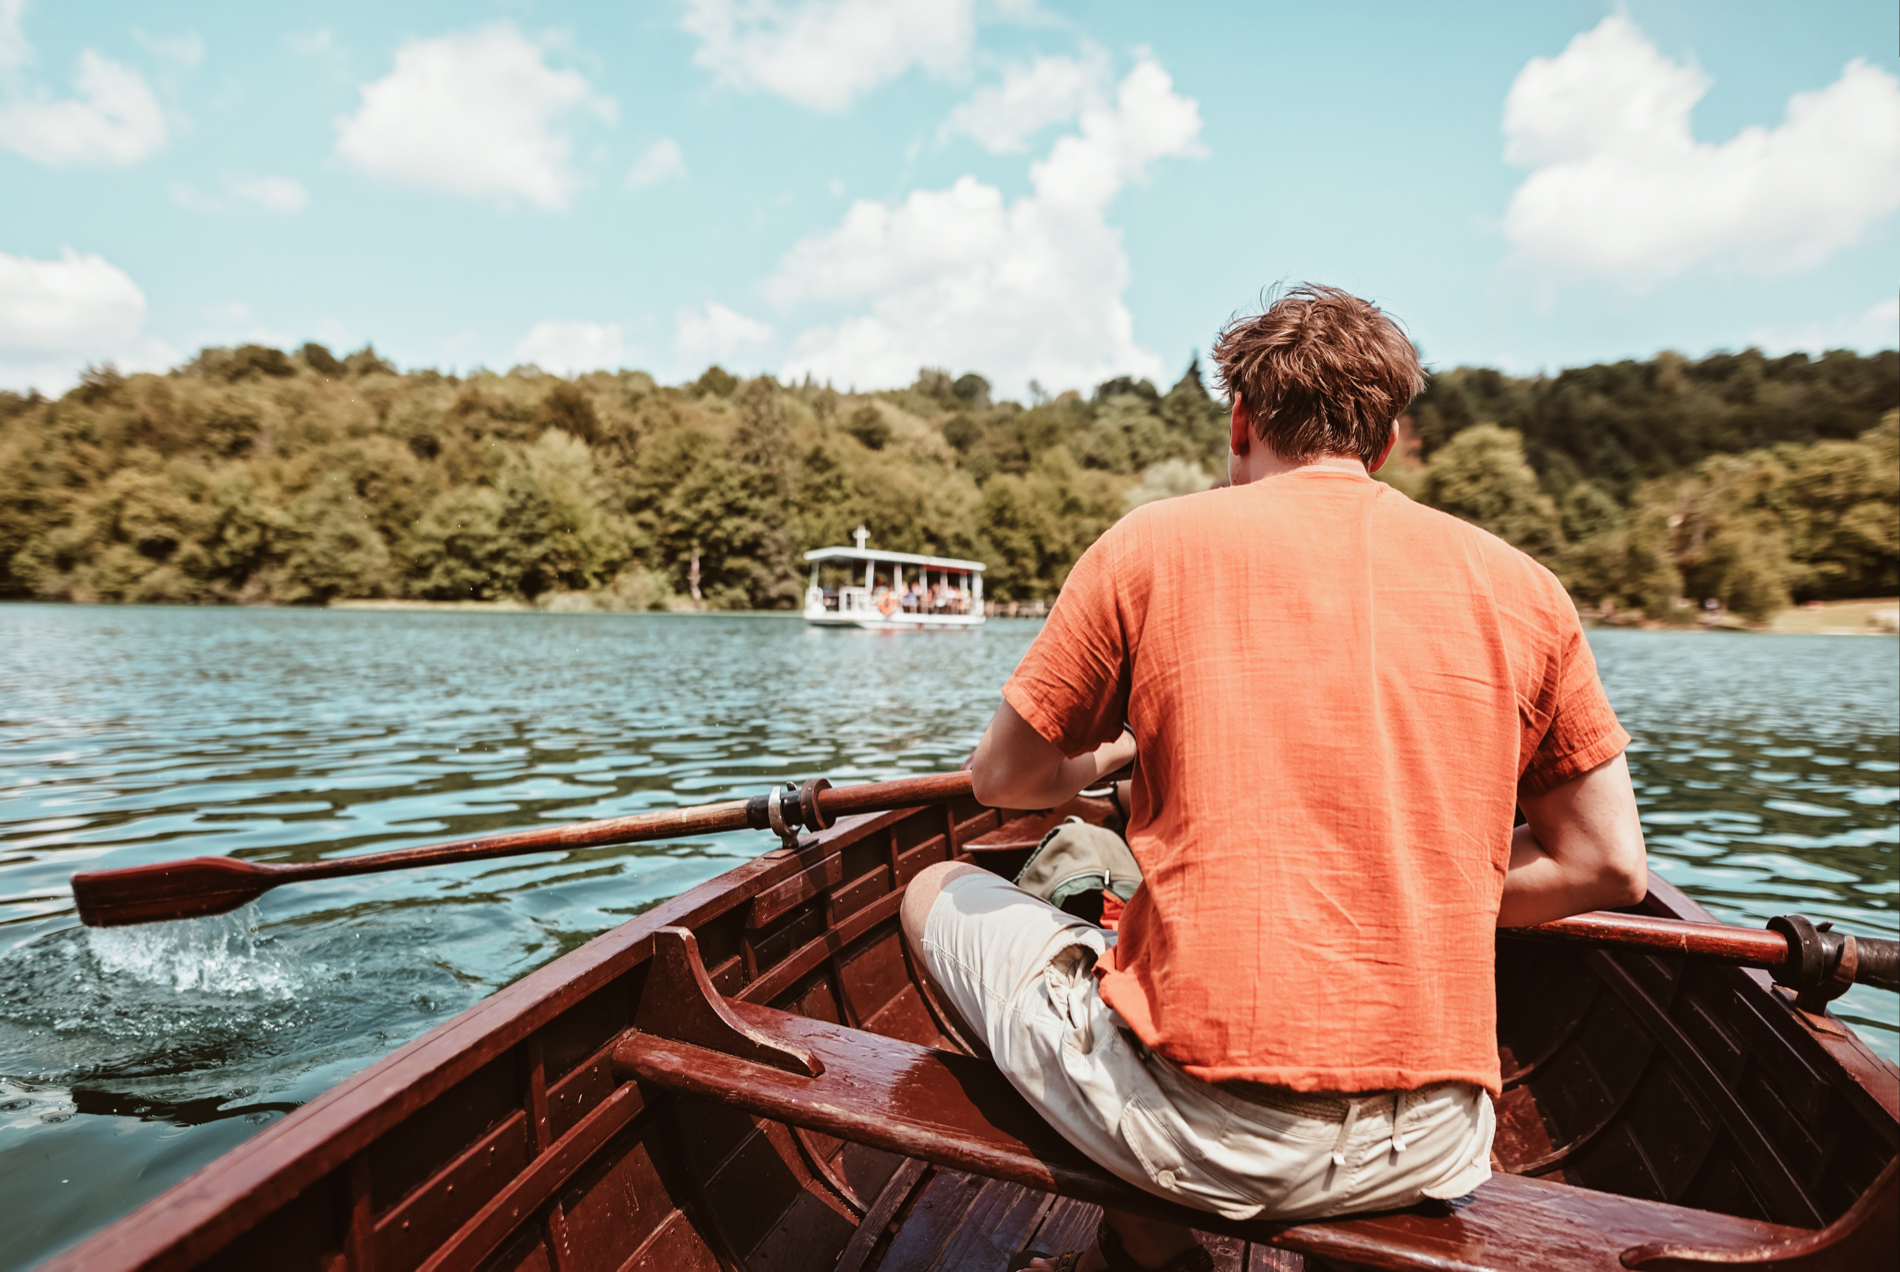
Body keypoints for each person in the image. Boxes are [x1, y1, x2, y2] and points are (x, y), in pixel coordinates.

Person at [899, 285, 1646, 1272]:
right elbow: (1607, 865)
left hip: (1197, 1135)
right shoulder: (1527, 590)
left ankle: (1156, 1251)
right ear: (1383, 442)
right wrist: (1414, 894)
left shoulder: (1149, 546)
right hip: (1437, 1140)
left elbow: (1005, 779)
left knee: (931, 891)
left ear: (1242, 422)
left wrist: (1105, 758)